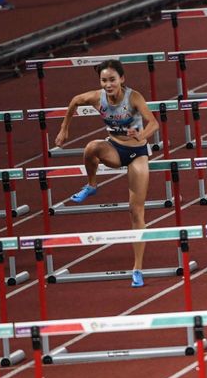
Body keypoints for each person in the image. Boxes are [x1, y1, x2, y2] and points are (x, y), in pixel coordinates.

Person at [55, 60, 158, 288]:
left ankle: (137, 268)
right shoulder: (96, 97)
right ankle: (91, 185)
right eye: (104, 81)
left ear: (122, 79)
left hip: (137, 152)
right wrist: (65, 128)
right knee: (91, 147)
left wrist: (141, 135)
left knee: (135, 211)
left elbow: (153, 123)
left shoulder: (133, 98)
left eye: (112, 80)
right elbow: (74, 102)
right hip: (114, 148)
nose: (108, 84)